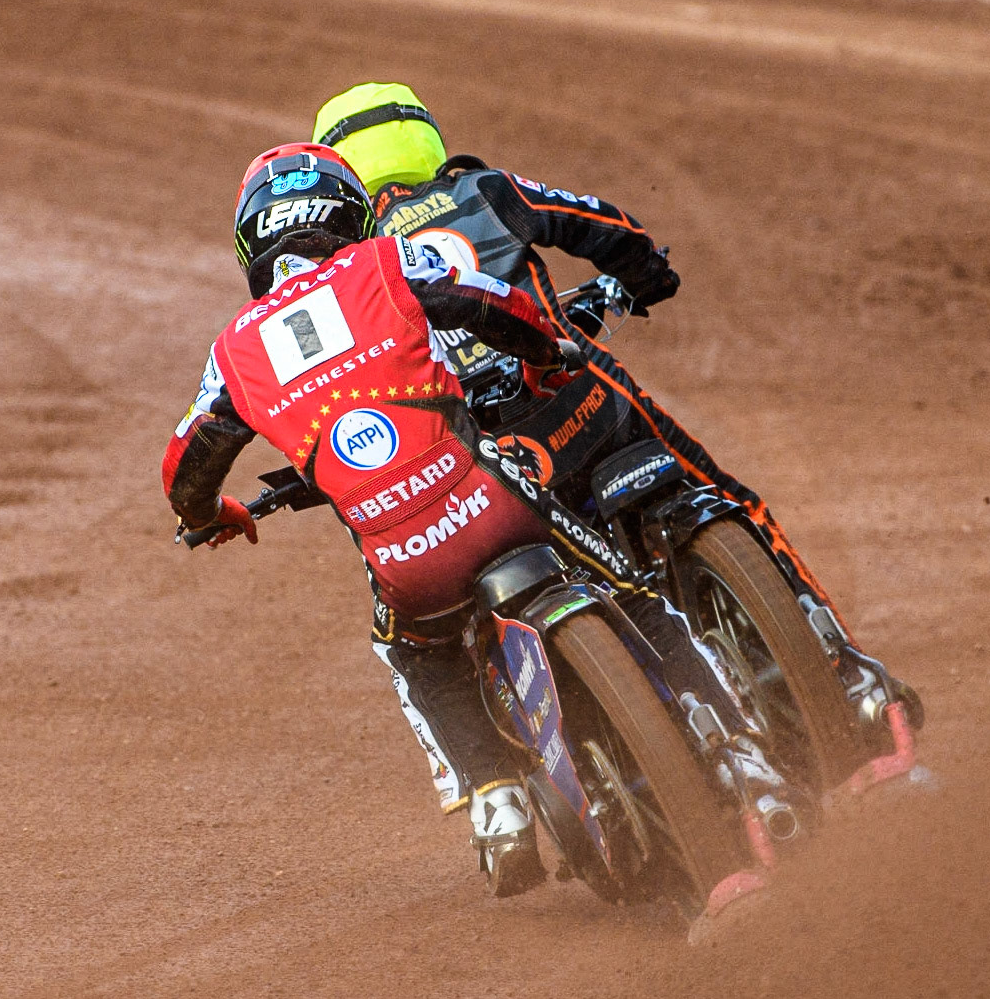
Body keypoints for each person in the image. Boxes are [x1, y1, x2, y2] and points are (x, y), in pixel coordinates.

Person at [163, 142, 586, 897]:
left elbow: (186, 460)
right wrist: (546, 352)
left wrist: (212, 511)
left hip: (409, 564)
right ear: (351, 213)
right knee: (593, 548)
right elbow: (489, 301)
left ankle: (495, 798)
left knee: (416, 649)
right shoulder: (385, 262)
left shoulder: (233, 349)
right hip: (495, 503)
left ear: (250, 248)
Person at [309, 84, 846, 628]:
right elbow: (607, 225)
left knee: (480, 606)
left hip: (489, 453)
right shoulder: (486, 190)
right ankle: (843, 661)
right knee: (729, 497)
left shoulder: (352, 274)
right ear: (423, 138)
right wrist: (647, 277)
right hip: (577, 393)